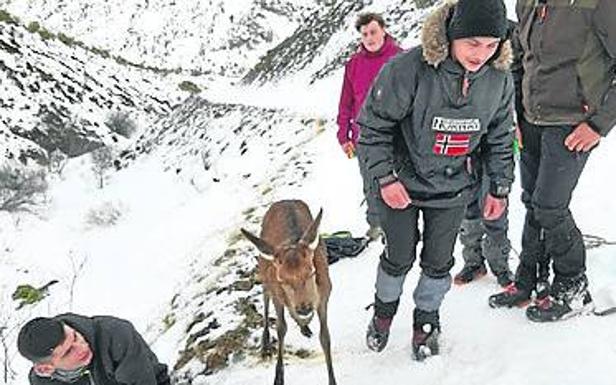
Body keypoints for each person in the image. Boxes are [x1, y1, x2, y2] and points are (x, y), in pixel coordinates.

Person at [357, 0, 514, 360]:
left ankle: (426, 321)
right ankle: (383, 313)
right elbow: (372, 128)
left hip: (453, 187)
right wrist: (384, 178)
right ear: (453, 34)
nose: (482, 54)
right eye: (473, 43)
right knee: (398, 257)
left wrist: (499, 186)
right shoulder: (408, 69)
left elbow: (500, 137)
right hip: (402, 184)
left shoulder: (497, 80)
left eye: (492, 45)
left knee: (438, 263)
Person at [488, 0, 616, 322]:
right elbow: (519, 60)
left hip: (574, 122)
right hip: (532, 118)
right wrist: (516, 113)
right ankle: (529, 278)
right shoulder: (527, 3)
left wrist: (598, 124)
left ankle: (572, 285)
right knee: (532, 201)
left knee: (549, 206)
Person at [336, 12, 402, 241]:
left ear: (383, 30)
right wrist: (343, 135)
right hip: (364, 136)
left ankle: (403, 227)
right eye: (365, 34)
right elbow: (346, 102)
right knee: (371, 183)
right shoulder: (353, 64)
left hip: (397, 135)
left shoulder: (400, 58)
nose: (370, 37)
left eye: (373, 31)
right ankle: (376, 225)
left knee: (400, 180)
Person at [17, 313, 170, 385]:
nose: (82, 348)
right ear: (46, 369)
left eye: (76, 337)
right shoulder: (42, 382)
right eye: (68, 351)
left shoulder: (115, 334)